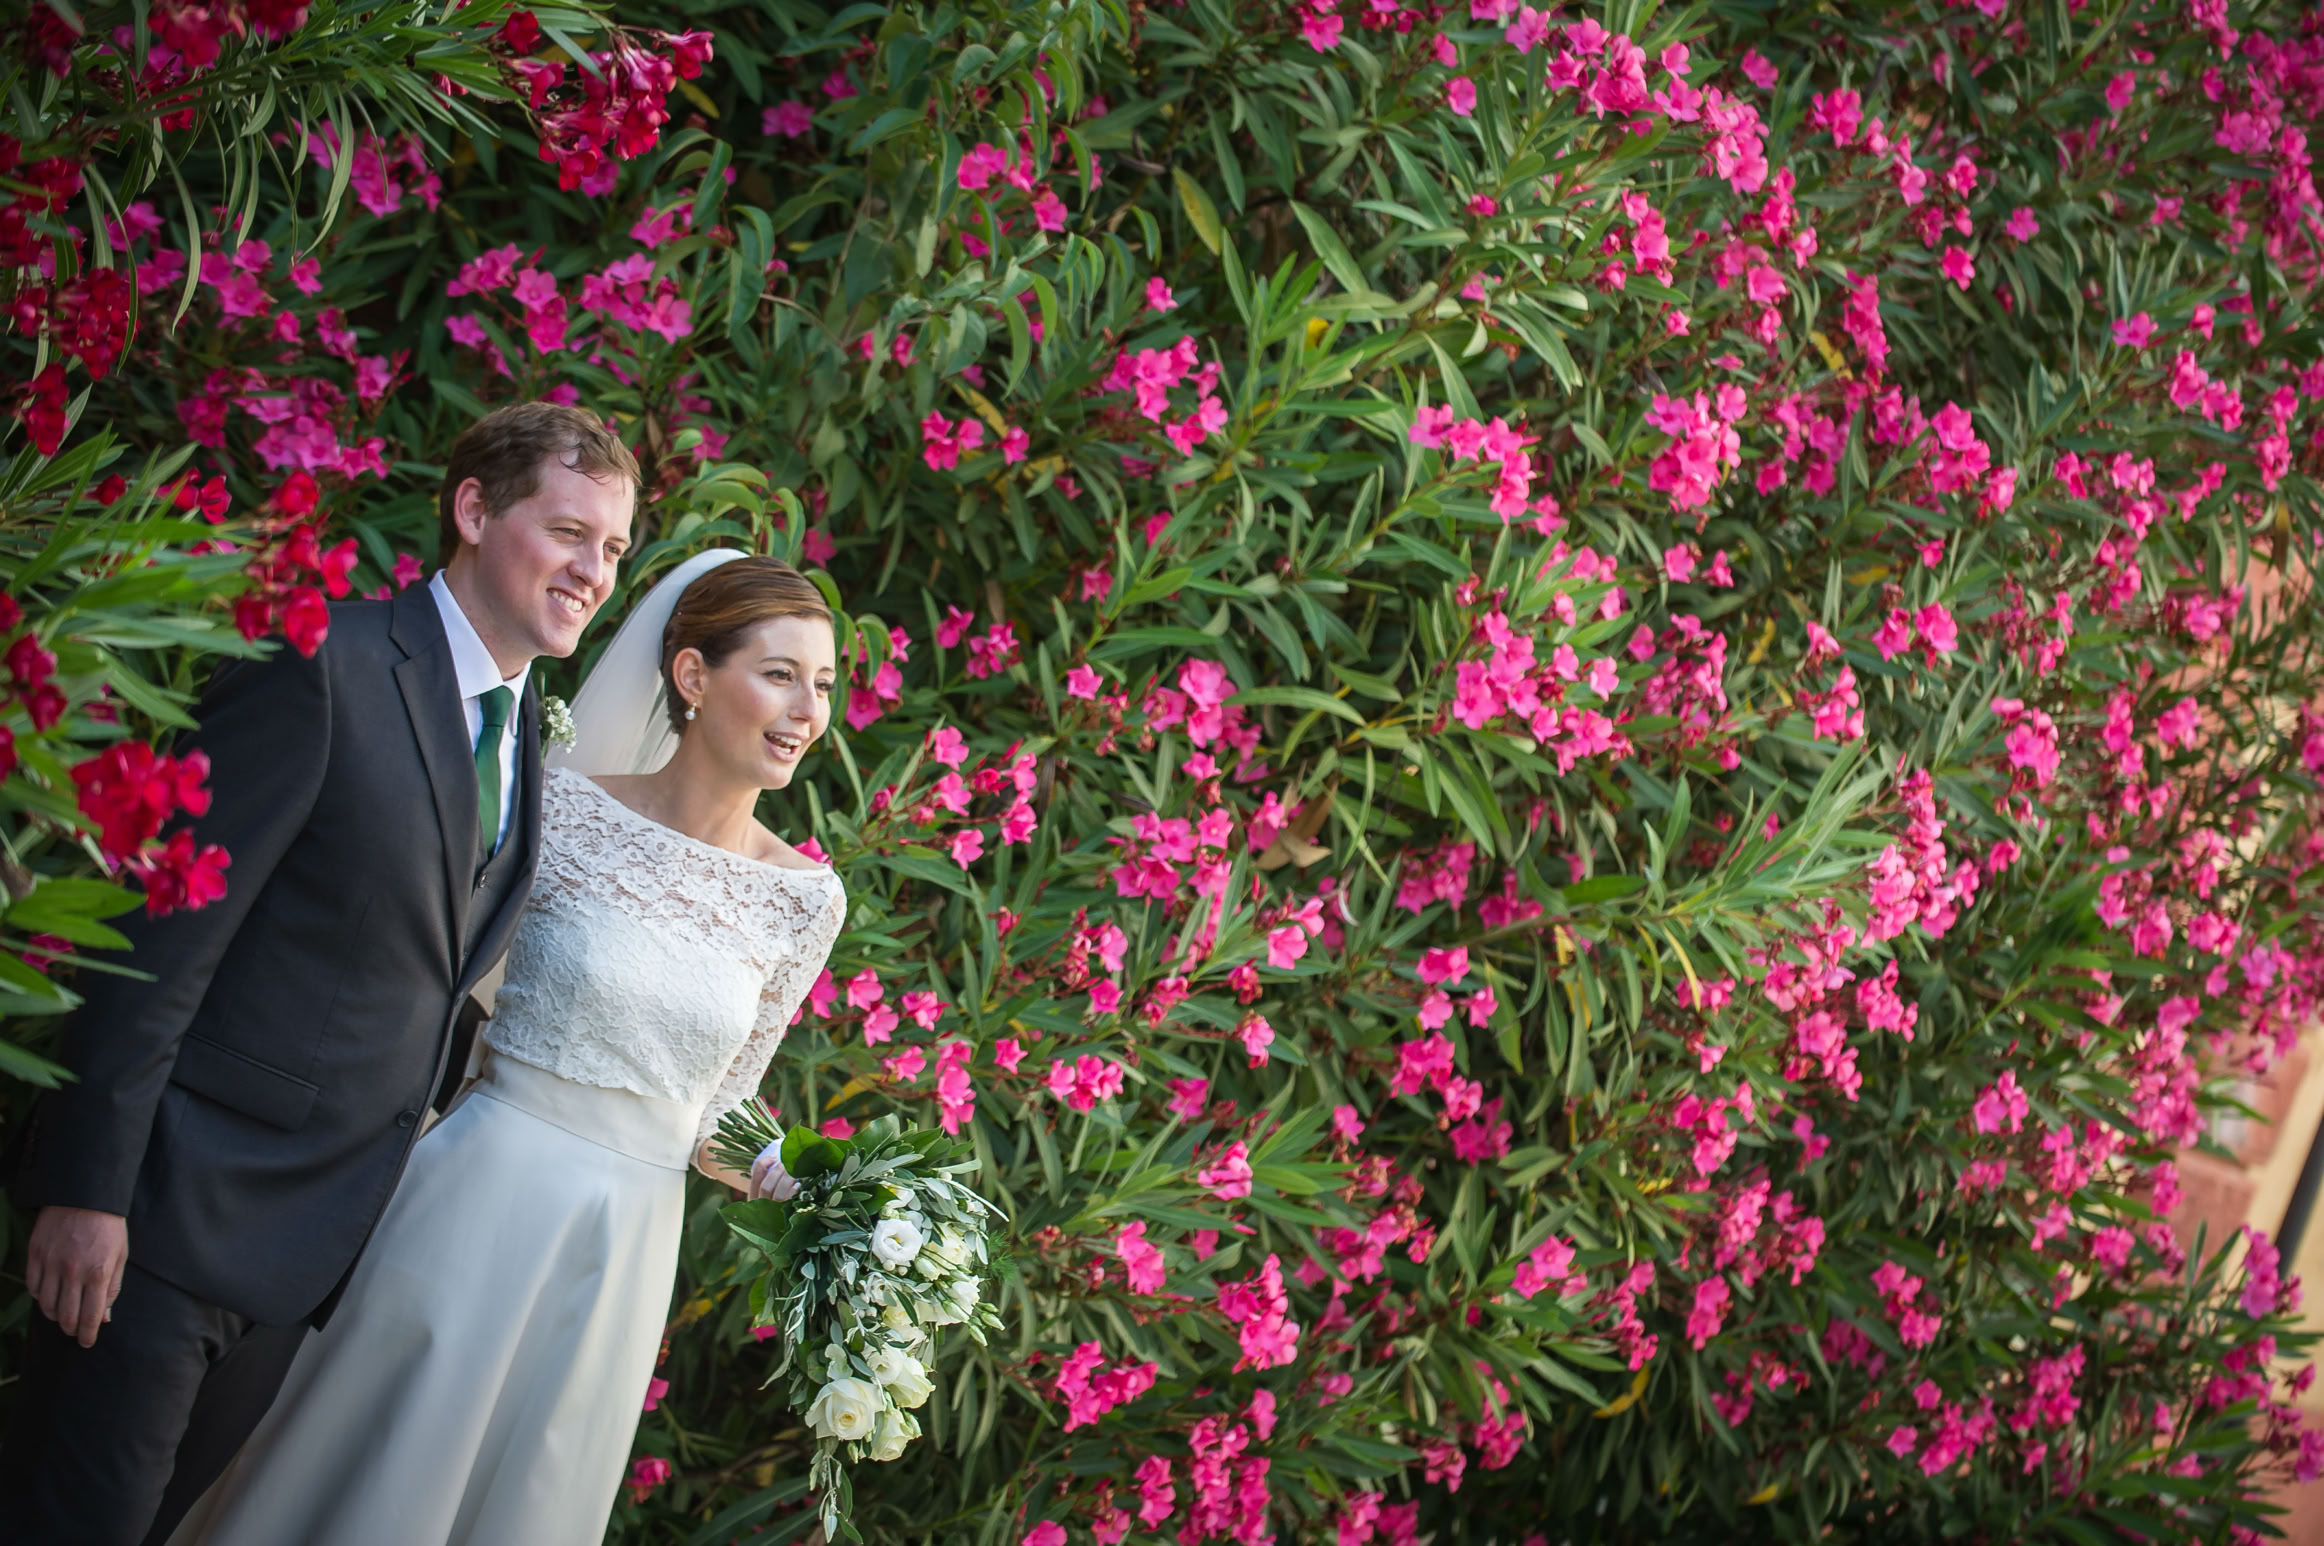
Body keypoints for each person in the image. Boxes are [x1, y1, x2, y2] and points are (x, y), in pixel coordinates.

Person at [0, 401, 640, 1546]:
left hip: (297, 1272)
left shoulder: (521, 737)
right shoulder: (327, 667)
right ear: (473, 509)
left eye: (613, 549)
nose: (594, 571)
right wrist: (87, 1188)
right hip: (159, 1223)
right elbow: (159, 941)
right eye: (569, 531)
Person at [171, 550, 847, 1546]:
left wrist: (815, 1186)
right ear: (694, 677)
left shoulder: (805, 899)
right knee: (366, 1470)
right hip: (470, 1186)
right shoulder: (559, 806)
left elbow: (720, 1112)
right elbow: (436, 992)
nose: (806, 710)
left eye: (823, 684)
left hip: (618, 1250)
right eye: (780, 674)